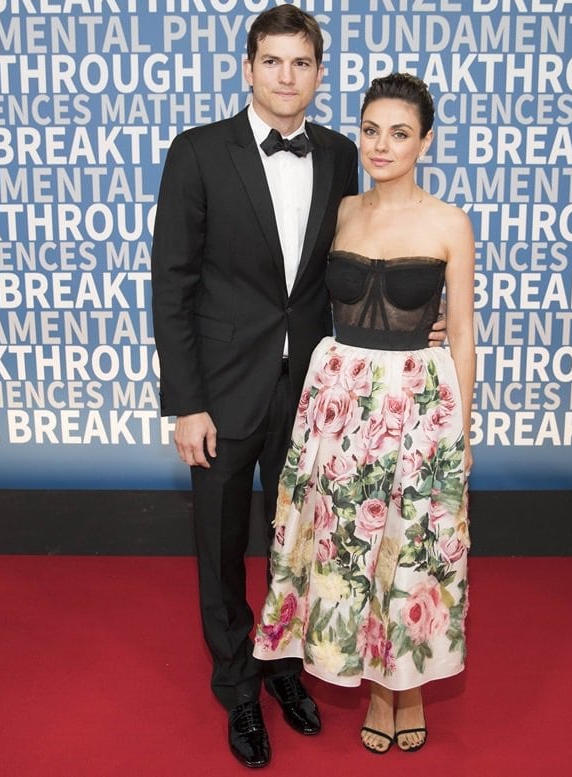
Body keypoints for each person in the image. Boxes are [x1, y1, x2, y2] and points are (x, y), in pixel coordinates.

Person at [150, 8, 446, 769]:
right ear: (248, 68)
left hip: (319, 395)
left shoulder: (346, 154)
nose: (287, 76)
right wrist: (186, 401)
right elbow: (172, 284)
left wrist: (418, 324)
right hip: (221, 390)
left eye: (302, 63)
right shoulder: (197, 153)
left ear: (320, 72)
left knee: (304, 543)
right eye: (272, 62)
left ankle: (285, 667)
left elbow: (355, 263)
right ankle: (238, 687)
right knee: (219, 545)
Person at [253, 72, 475, 756]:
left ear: (425, 141)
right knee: (349, 545)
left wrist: (462, 429)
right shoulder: (344, 210)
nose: (382, 145)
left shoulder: (448, 222)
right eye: (371, 130)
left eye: (400, 133)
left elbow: (462, 330)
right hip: (341, 403)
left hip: (420, 405)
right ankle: (373, 679)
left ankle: (402, 686)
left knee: (411, 544)